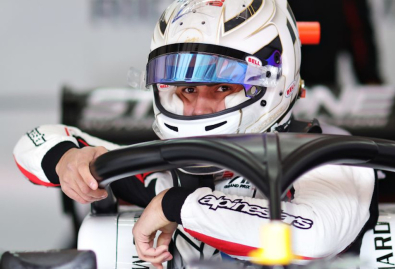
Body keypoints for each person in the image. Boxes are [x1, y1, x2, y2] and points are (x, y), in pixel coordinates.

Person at [13, 0, 376, 268]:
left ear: (274, 85)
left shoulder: (330, 152)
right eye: (186, 90)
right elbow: (35, 142)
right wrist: (70, 159)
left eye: (221, 88)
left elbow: (314, 234)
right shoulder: (162, 164)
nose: (198, 109)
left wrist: (175, 205)